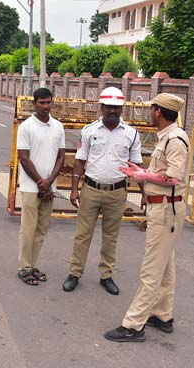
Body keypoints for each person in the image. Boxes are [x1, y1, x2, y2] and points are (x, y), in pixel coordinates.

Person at [104, 93, 189, 343]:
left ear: (159, 112)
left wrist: (143, 177)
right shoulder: (169, 136)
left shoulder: (175, 139)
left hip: (166, 209)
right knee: (165, 265)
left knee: (151, 269)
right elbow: (164, 173)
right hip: (163, 208)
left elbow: (173, 178)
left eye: (152, 109)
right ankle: (162, 315)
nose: (150, 113)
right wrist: (142, 171)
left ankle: (133, 325)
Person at [64, 87, 143, 295]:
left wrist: (144, 193)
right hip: (91, 189)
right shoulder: (89, 130)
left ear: (122, 109)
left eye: (116, 108)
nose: (112, 111)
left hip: (117, 192)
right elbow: (80, 161)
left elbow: (136, 166)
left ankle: (106, 275)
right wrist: (74, 189)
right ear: (101, 108)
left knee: (111, 236)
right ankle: (75, 273)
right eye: (108, 107)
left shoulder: (131, 134)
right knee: (83, 234)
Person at [16, 87, 66, 286]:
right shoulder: (26, 127)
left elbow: (61, 156)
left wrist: (49, 182)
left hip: (49, 187)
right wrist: (41, 183)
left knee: (42, 229)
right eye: (42, 103)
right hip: (30, 187)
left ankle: (33, 265)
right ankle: (24, 267)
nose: (46, 106)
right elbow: (24, 158)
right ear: (34, 104)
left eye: (48, 102)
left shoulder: (58, 127)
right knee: (28, 229)